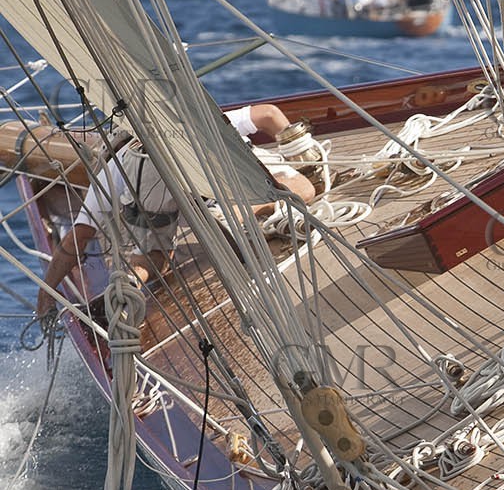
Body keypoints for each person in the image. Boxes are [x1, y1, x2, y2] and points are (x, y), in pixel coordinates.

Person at [35, 104, 316, 326]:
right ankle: (240, 211)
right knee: (302, 187)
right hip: (215, 170)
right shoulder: (205, 123)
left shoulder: (114, 168)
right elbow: (268, 114)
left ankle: (129, 281)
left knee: (156, 253)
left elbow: (77, 239)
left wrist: (46, 295)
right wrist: (301, 151)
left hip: (145, 175)